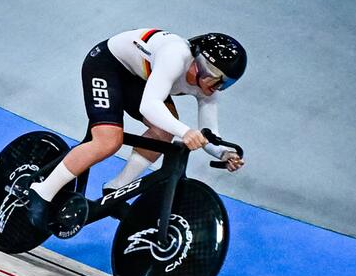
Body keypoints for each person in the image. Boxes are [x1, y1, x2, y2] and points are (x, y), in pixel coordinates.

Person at [25, 29, 247, 230]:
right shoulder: (175, 56)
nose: (217, 87)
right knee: (108, 141)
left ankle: (116, 189)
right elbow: (149, 106)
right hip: (108, 64)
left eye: (225, 84)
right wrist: (186, 132)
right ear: (198, 62)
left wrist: (224, 153)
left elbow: (210, 134)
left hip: (139, 78)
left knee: (164, 132)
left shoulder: (207, 87)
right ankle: (42, 191)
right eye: (216, 78)